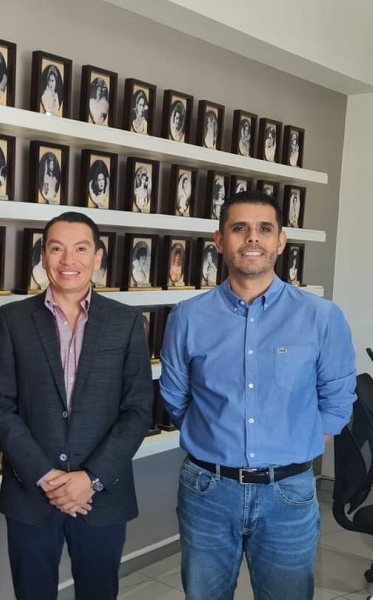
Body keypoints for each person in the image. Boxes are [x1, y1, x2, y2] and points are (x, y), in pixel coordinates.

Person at [160, 189, 356, 600]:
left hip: (289, 492)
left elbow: (338, 398)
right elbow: (175, 396)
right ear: (220, 241)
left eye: (264, 228)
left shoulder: (321, 316)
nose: (252, 237)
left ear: (280, 242)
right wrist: (213, 434)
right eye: (239, 228)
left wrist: (301, 440)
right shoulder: (188, 317)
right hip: (208, 490)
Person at [0, 211, 153, 600]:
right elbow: (0, 406)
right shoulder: (13, 319)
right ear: (43, 256)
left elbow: (138, 410)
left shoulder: (126, 321)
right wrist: (46, 476)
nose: (68, 260)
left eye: (80, 249)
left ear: (98, 257)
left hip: (102, 495)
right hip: (31, 493)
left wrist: (90, 478)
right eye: (57, 249)